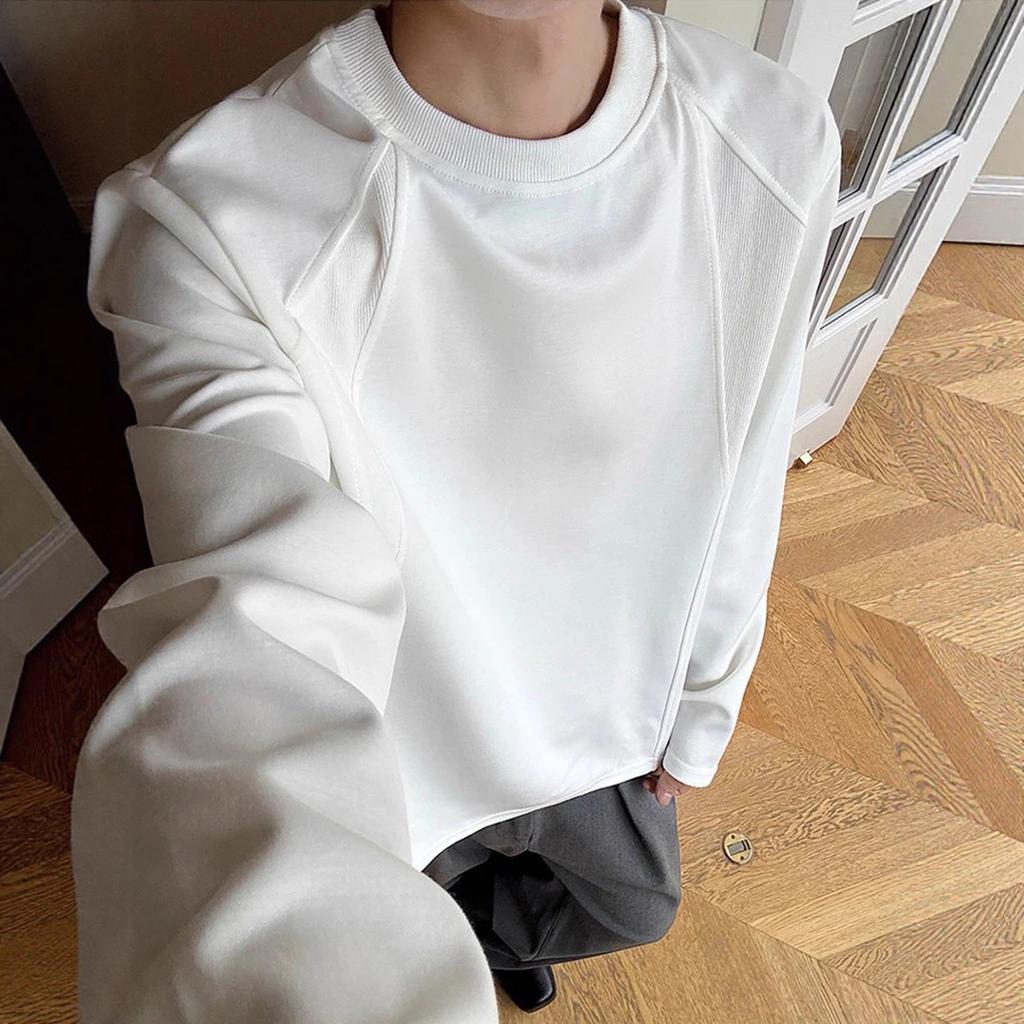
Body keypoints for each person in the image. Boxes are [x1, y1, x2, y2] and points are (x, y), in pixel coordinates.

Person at [73, 0, 841, 1020]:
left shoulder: (771, 141)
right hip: (388, 755)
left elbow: (743, 467)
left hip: (608, 724)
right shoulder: (214, 229)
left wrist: (704, 701)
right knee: (419, 894)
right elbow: (251, 640)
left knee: (635, 905)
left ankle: (483, 940)